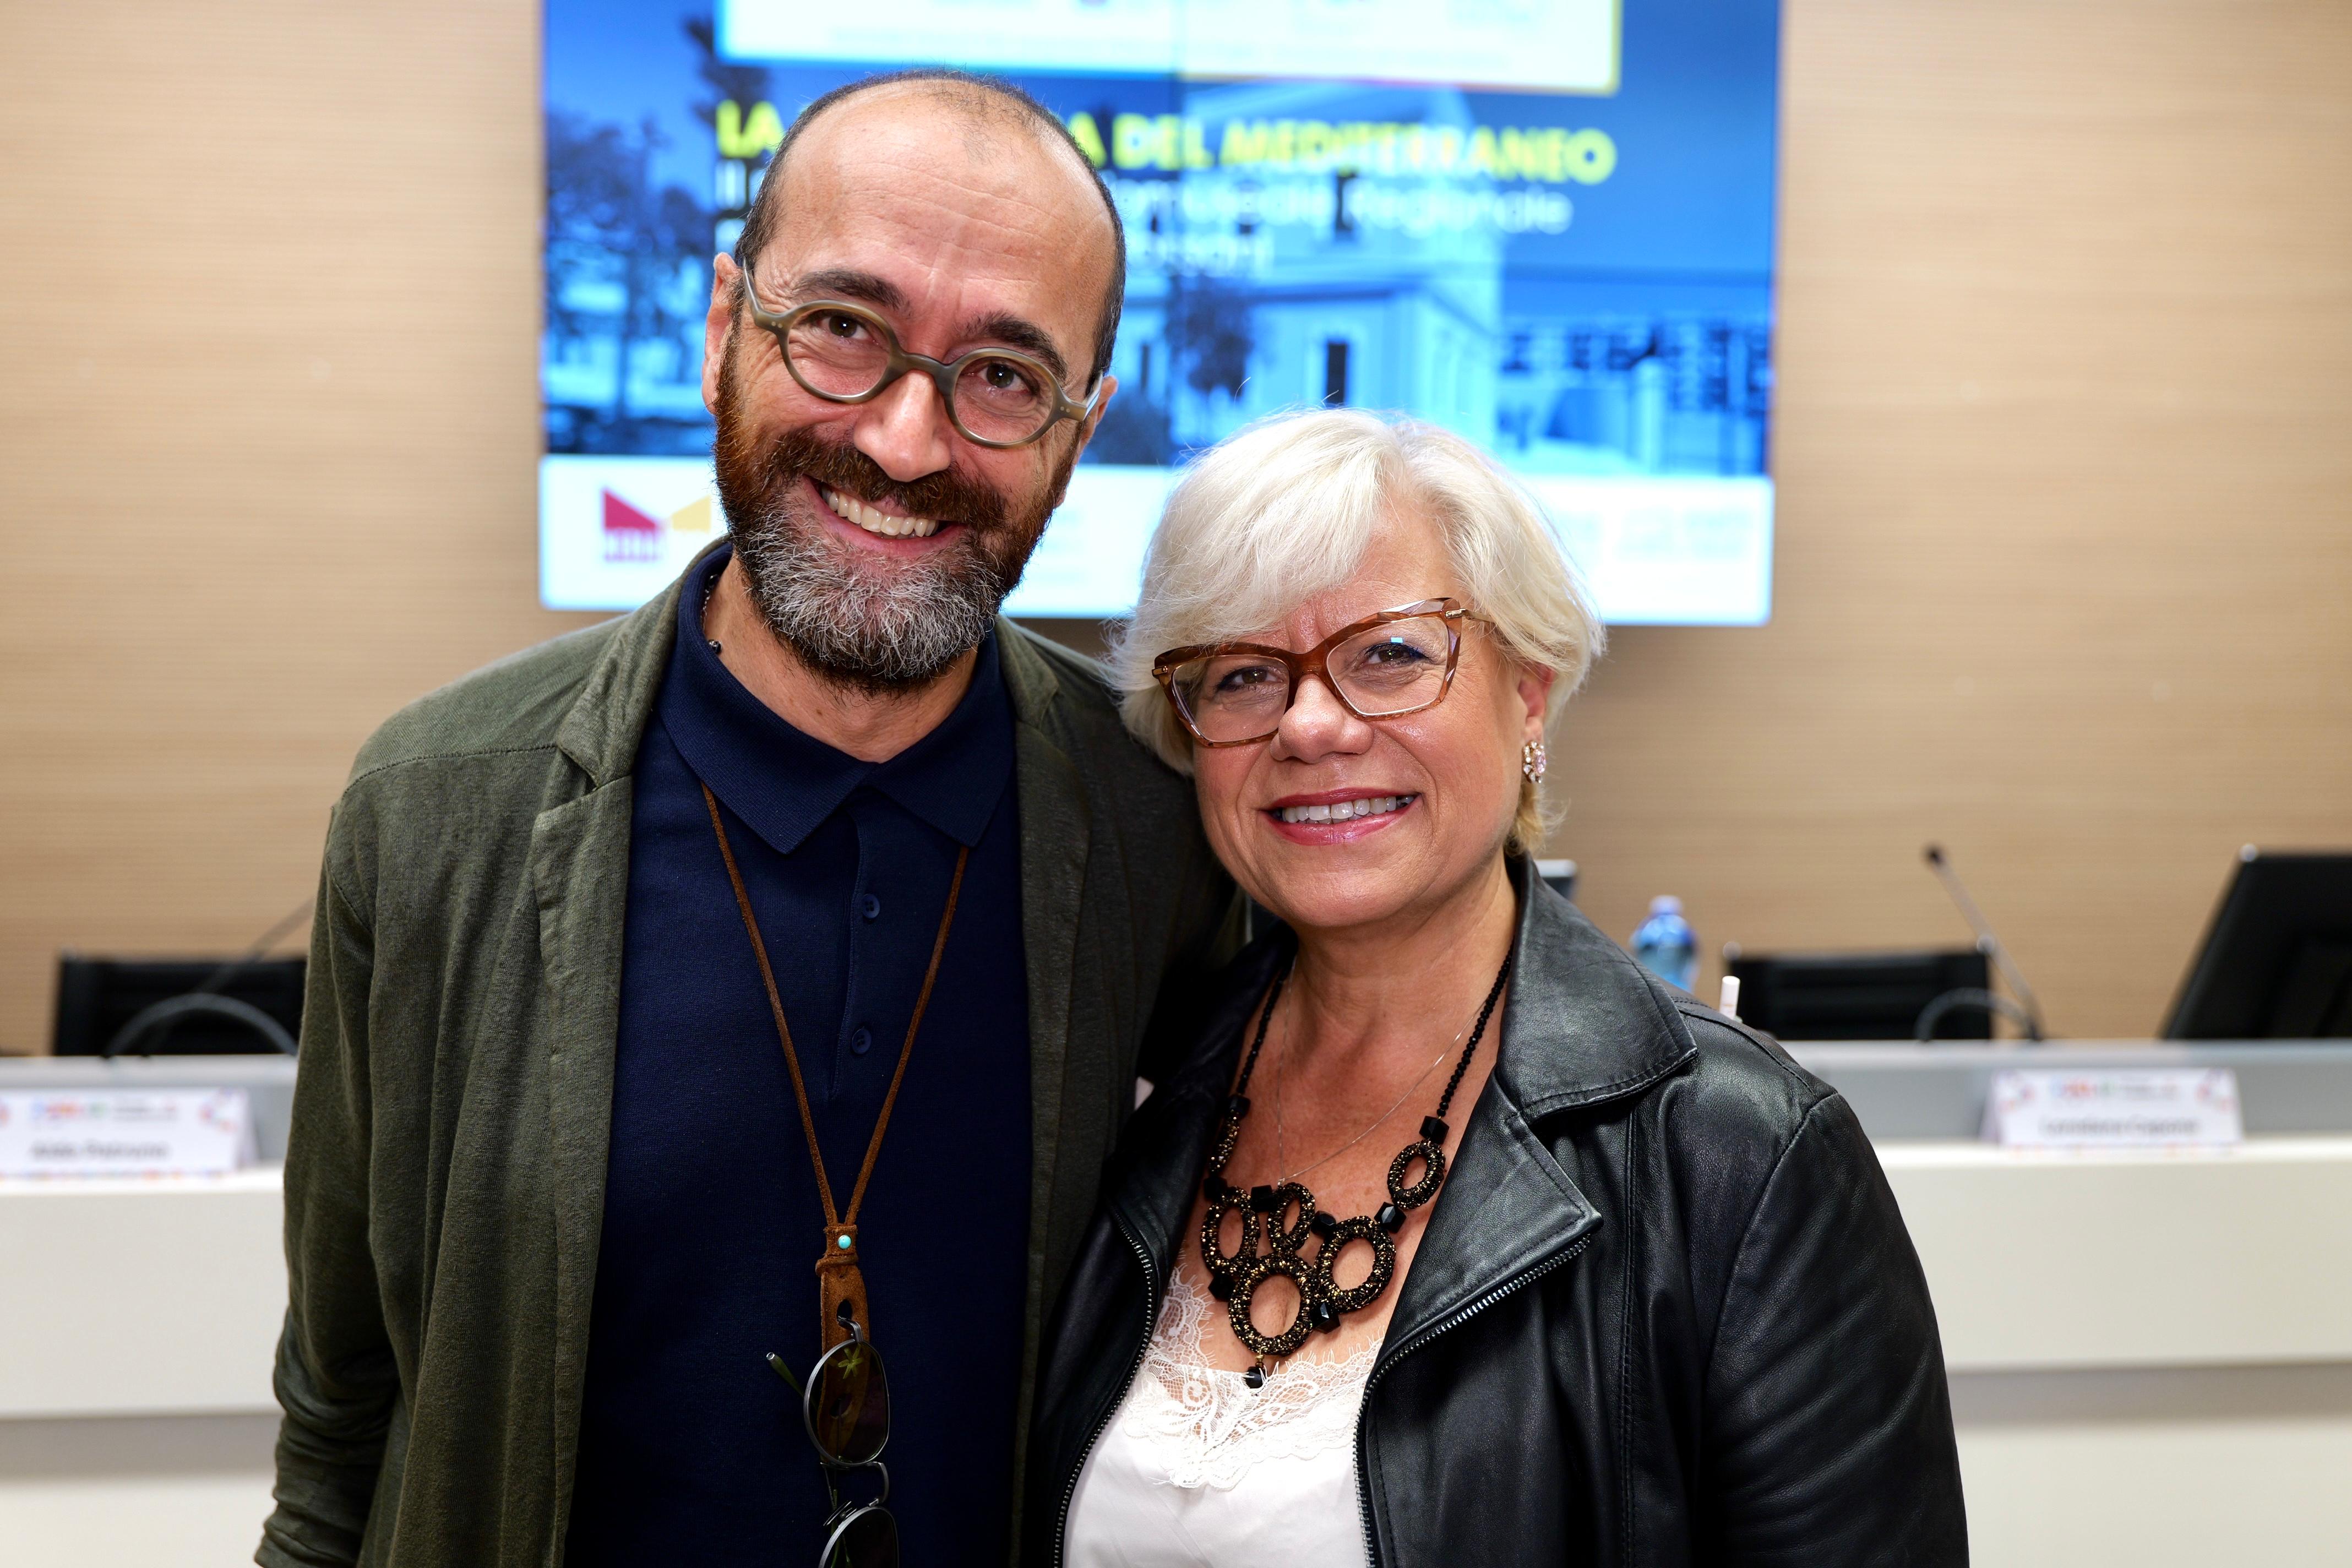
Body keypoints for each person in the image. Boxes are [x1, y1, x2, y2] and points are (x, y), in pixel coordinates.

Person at [259, 72, 1237, 1568]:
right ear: (723, 328)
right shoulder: (435, 811)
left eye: (1002, 374)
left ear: (1080, 427)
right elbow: (342, 1416)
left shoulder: (1164, 829)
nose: (908, 444)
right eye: (844, 330)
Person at [1025, 410, 1968, 1566]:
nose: (1311, 723)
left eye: (1390, 654)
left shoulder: (1740, 1154)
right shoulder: (1125, 1092)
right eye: (1241, 673)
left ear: (1528, 692)